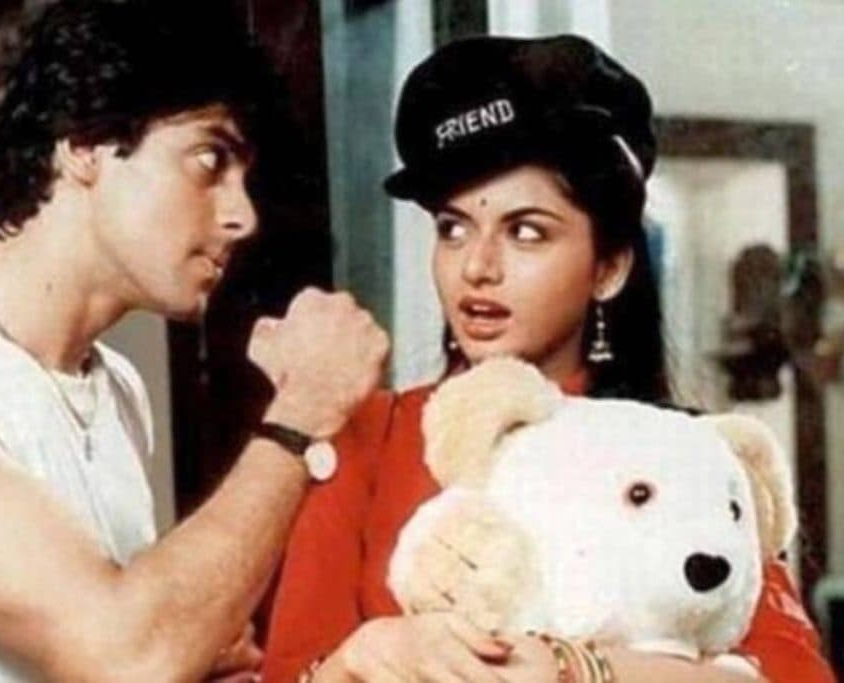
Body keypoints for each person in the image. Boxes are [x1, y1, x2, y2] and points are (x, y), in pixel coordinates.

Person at [0, 2, 388, 682]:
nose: (243, 216)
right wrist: (300, 411)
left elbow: (120, 651)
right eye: (210, 159)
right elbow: (125, 653)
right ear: (84, 146)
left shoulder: (112, 385)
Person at [262, 35, 835, 682]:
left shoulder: (685, 451)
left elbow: (793, 673)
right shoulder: (367, 435)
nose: (477, 266)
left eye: (526, 231)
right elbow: (291, 669)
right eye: (454, 228)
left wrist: (577, 668)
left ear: (609, 267)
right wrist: (362, 654)